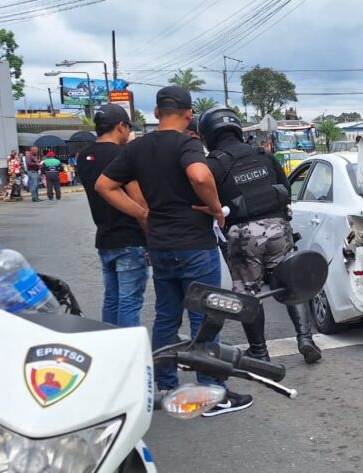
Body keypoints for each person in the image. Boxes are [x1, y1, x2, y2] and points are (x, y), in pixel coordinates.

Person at [96, 86, 252, 417]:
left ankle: (166, 385)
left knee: (166, 317)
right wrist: (216, 209)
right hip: (194, 244)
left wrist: (142, 214)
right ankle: (211, 392)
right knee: (204, 317)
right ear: (189, 113)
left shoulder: (137, 147)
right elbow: (199, 175)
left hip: (159, 245)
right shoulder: (187, 144)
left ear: (156, 113)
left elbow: (104, 186)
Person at [198, 107, 322, 364]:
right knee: (291, 282)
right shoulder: (263, 155)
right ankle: (306, 339)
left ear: (208, 134)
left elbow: (210, 203)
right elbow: (285, 189)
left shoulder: (213, 165)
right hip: (278, 228)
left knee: (249, 293)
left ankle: (259, 351)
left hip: (243, 235)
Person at [77, 104, 148, 328]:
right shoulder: (123, 155)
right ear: (120, 126)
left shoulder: (84, 156)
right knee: (129, 302)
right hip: (130, 238)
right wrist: (150, 231)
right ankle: (129, 347)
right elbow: (138, 198)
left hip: (105, 236)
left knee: (111, 299)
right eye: (129, 128)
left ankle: (109, 342)